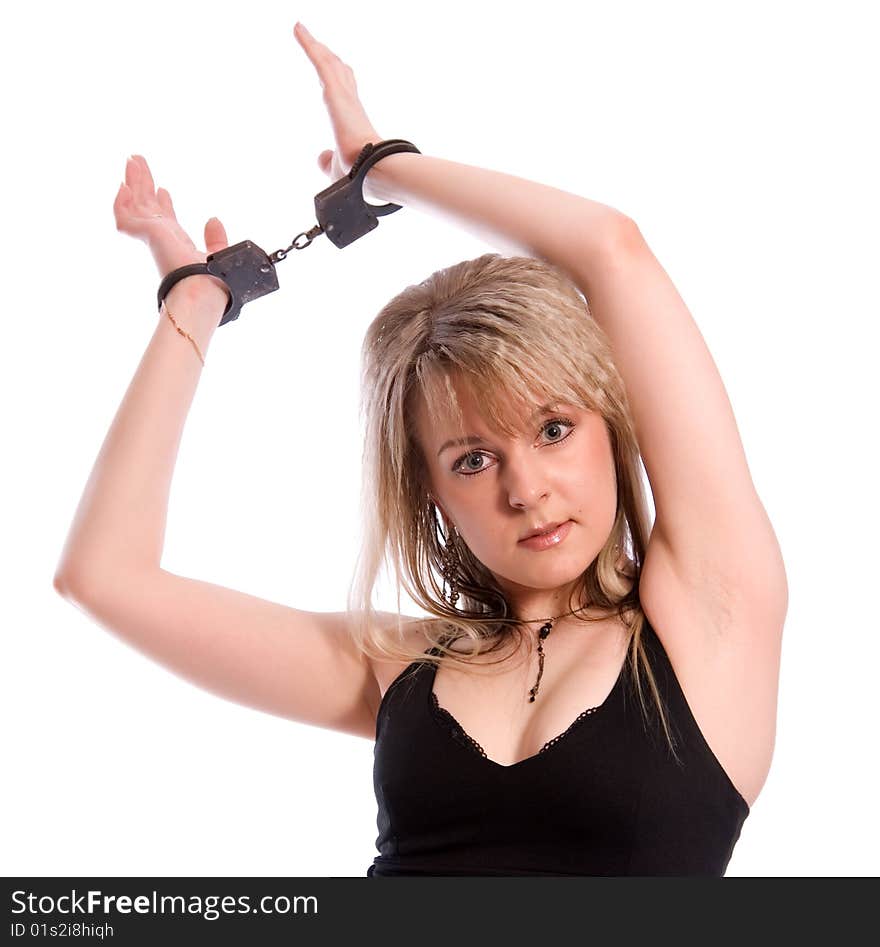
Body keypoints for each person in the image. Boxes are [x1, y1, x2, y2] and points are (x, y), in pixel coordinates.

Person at [52, 22, 788, 877]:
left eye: (554, 430)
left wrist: (379, 167)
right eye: (473, 459)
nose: (527, 488)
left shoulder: (710, 616)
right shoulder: (399, 669)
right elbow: (102, 576)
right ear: (432, 491)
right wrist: (197, 297)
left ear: (612, 429)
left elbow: (611, 249)